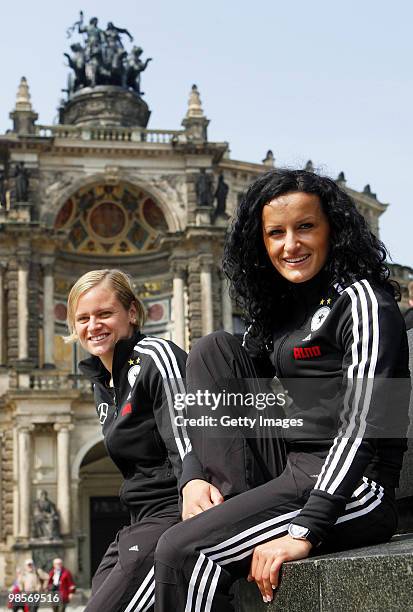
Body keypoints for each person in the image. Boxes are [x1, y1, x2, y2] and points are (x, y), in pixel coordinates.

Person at [153, 169, 410, 610]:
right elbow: (221, 384)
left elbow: (362, 425)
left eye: (305, 227)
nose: (290, 245)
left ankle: (229, 525)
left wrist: (305, 529)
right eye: (276, 233)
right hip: (294, 469)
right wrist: (193, 473)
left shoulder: (362, 300)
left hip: (357, 487)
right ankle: (232, 507)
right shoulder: (280, 314)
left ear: (334, 230)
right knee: (214, 348)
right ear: (261, 243)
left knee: (181, 551)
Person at [65, 269, 188, 612]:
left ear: (132, 313)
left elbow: (188, 443)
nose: (93, 325)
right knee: (98, 592)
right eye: (83, 318)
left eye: (104, 314)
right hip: (138, 523)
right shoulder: (103, 386)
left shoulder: (155, 357)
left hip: (172, 517)